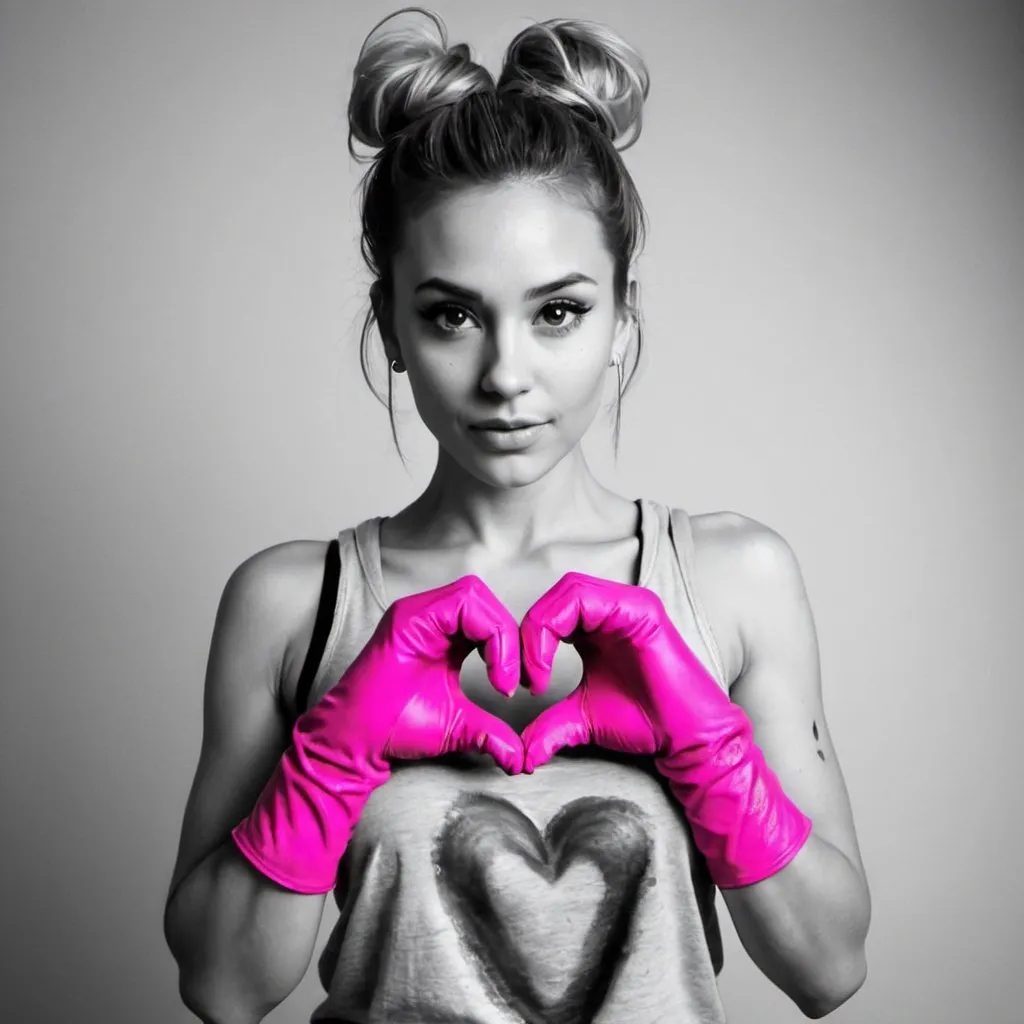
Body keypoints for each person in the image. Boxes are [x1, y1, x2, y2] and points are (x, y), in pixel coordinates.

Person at [163, 8, 871, 1023]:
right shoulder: (294, 603)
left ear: (623, 319)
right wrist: (332, 754)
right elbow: (221, 986)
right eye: (451, 314)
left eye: (558, 312)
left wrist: (707, 746)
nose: (505, 374)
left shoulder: (729, 577)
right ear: (392, 331)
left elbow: (828, 965)